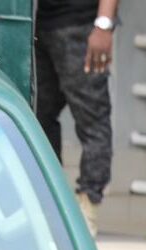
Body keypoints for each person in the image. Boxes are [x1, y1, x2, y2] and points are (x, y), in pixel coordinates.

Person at [34, 0, 120, 237]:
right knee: (38, 118)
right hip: (42, 27)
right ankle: (51, 203)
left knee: (93, 121)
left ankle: (87, 213)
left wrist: (103, 25)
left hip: (82, 27)